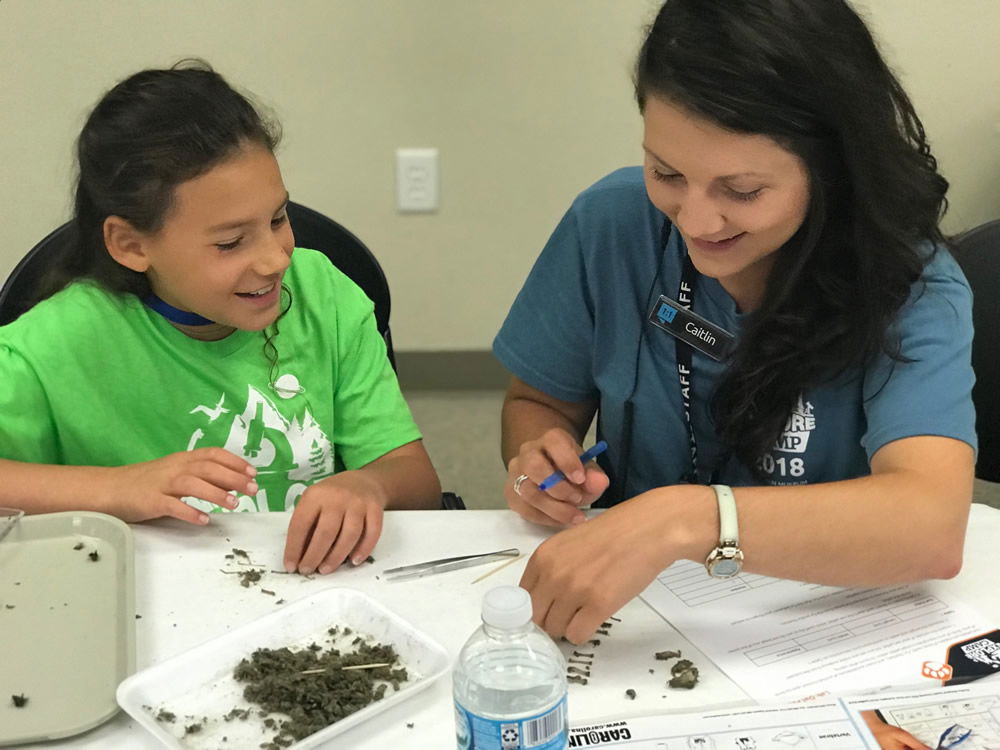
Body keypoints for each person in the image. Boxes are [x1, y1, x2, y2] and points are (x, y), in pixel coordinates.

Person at [494, 0, 976, 644]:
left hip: (821, 618)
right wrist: (540, 466)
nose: (695, 221)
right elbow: (536, 402)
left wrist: (684, 519)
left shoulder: (908, 283)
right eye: (666, 173)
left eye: (742, 191)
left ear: (832, 167)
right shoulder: (611, 224)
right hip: (641, 614)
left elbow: (930, 528)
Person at [0, 61, 441, 575]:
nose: (277, 259)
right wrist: (117, 488)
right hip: (145, 603)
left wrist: (370, 483)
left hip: (315, 593)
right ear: (131, 245)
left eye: (278, 218)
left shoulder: (324, 295)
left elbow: (417, 481)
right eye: (230, 243)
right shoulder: (53, 344)